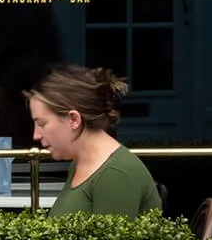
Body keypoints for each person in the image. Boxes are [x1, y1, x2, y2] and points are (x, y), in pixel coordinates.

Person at [26, 66, 162, 216]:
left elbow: (112, 238)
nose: (36, 135)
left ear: (74, 119)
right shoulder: (80, 164)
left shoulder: (114, 175)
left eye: (42, 123)